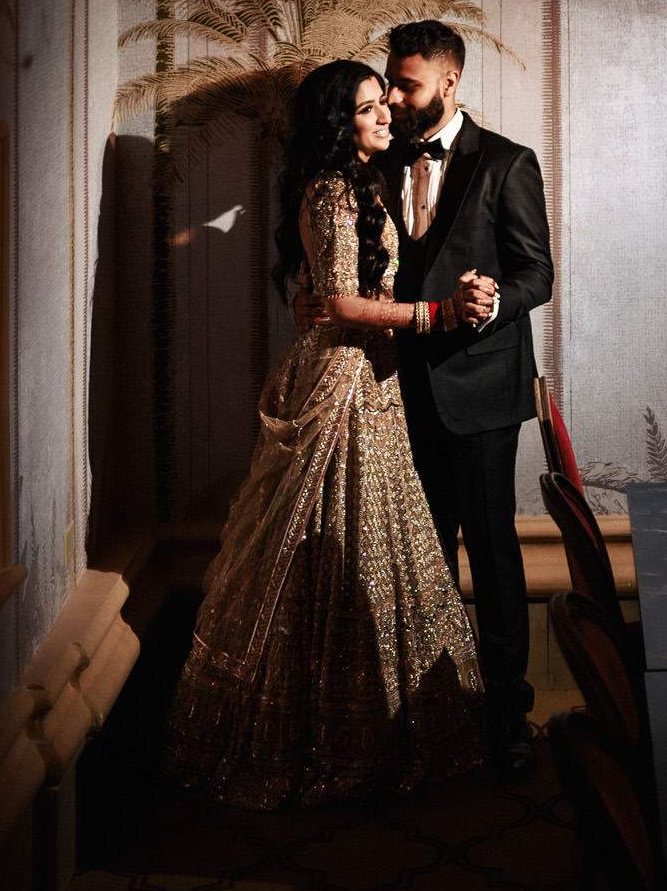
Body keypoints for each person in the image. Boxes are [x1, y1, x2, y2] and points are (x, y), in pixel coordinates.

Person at [164, 59, 488, 806]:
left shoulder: (359, 183)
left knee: (370, 539)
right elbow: (340, 302)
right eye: (370, 109)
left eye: (385, 104)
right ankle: (301, 735)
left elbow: (327, 293)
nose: (385, 117)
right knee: (316, 540)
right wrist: (432, 316)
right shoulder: (332, 190)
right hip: (341, 379)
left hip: (368, 376)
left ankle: (369, 728)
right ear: (338, 125)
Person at [298, 20, 553, 775]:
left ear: (449, 81)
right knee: (418, 557)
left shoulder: (508, 162)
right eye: (390, 83)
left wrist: (492, 300)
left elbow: (538, 273)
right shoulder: (374, 159)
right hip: (389, 392)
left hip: (480, 390)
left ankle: (508, 715)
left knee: (496, 557)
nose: (396, 99)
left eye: (408, 85)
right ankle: (434, 714)